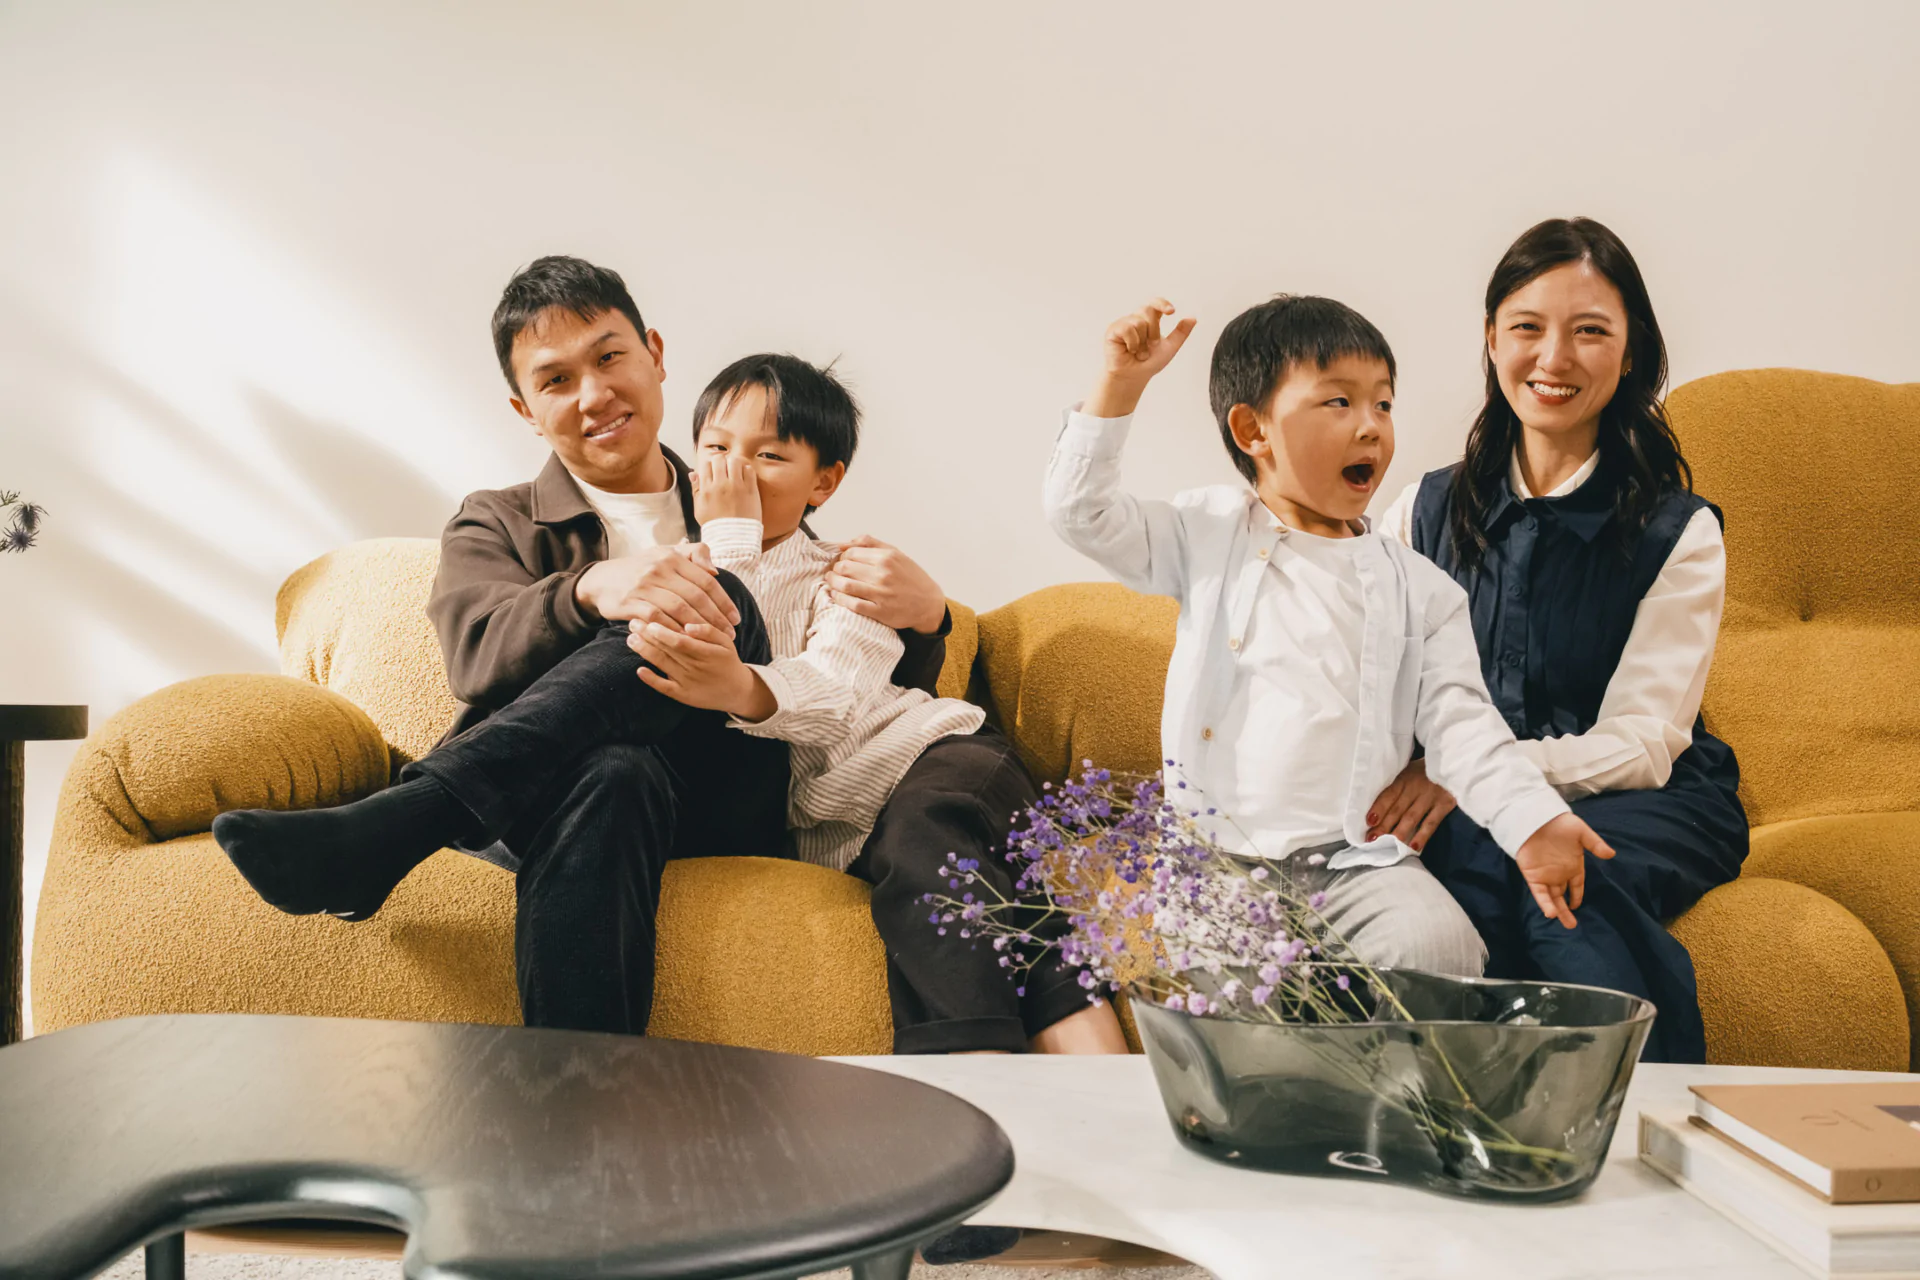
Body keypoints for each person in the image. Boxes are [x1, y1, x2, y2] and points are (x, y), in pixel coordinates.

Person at [211, 255, 955, 1038]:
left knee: (725, 592)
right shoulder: (497, 520)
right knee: (615, 769)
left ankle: (403, 823)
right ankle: (581, 1105)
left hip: (730, 791)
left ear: (655, 354)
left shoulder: (742, 495)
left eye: (609, 357)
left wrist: (930, 620)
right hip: (558, 799)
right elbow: (473, 654)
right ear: (524, 408)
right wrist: (589, 589)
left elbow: (837, 671)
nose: (595, 395)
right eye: (556, 380)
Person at [1044, 294, 1618, 974]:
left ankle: (1396, 1083)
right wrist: (1120, 383)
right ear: (1253, 431)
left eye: (1383, 403)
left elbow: (1466, 728)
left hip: (1360, 865)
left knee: (1443, 950)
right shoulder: (1207, 535)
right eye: (1338, 403)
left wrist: (1532, 822)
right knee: (1223, 1000)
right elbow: (1079, 513)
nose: (1371, 426)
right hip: (1218, 863)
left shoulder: (1423, 590)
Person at [1373, 217, 1748, 1063]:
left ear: (1630, 350)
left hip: (1646, 798)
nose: (1555, 358)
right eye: (1528, 329)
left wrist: (1486, 780)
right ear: (1491, 339)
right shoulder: (1420, 511)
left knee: (1567, 871)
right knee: (1473, 862)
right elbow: (1386, 694)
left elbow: (1646, 741)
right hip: (1463, 793)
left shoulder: (1677, 531)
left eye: (1590, 332)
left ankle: (1635, 1119)